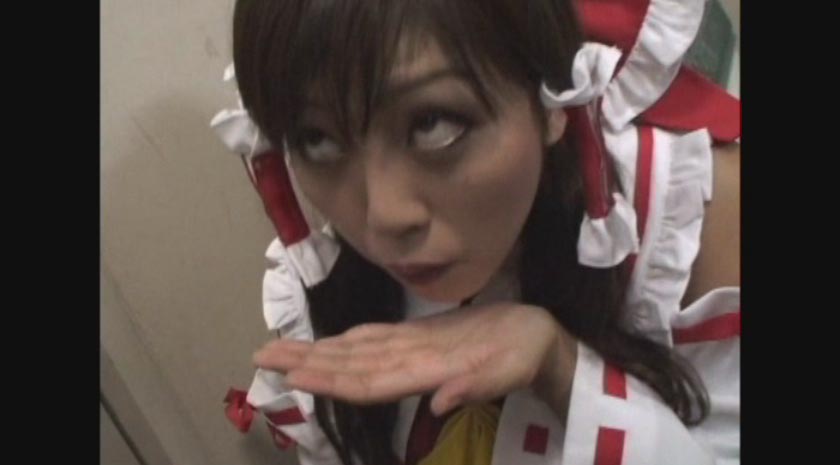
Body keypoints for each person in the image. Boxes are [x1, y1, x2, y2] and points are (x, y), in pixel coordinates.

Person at [210, 0, 741, 464]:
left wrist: (561, 369)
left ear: (552, 97)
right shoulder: (327, 284)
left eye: (433, 124)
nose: (384, 218)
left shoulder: (690, 216)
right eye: (318, 140)